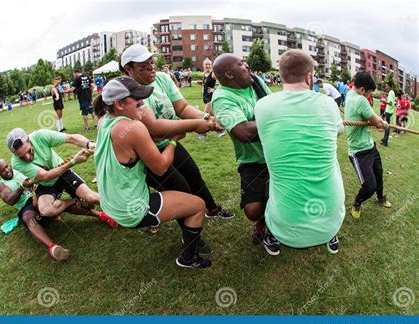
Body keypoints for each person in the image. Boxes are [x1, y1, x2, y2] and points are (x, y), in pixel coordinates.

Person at [94, 77, 212, 268]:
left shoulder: (103, 121)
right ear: (119, 104)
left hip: (110, 204)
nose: (143, 109)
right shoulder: (133, 128)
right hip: (131, 210)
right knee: (198, 205)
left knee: (181, 190)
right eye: (138, 103)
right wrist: (174, 139)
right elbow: (161, 167)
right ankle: (188, 258)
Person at [119, 44, 234, 219]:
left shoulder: (162, 79)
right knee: (179, 190)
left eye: (151, 62)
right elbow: (154, 128)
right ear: (128, 70)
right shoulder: (127, 93)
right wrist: (194, 125)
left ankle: (211, 210)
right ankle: (192, 239)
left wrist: (206, 118)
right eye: (144, 66)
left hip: (167, 141)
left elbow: (182, 107)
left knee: (193, 175)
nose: (151, 67)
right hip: (147, 151)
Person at [255, 50, 345, 255]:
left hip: (283, 224)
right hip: (332, 219)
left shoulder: (262, 107)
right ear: (309, 76)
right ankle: (331, 234)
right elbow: (339, 130)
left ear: (282, 76)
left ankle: (271, 235)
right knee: (331, 161)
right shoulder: (329, 104)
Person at [211, 53, 272, 244]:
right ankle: (261, 220)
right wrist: (276, 120)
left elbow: (273, 106)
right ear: (229, 74)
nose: (247, 66)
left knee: (280, 195)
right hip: (252, 159)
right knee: (253, 211)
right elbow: (244, 133)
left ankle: (273, 226)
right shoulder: (221, 98)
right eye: (241, 64)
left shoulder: (257, 82)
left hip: (277, 153)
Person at [7, 127, 117, 227]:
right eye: (22, 157)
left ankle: (122, 208)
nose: (27, 157)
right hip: (46, 183)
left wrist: (89, 144)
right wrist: (73, 161)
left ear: (29, 141)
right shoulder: (16, 163)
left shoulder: (40, 136)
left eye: (29, 151)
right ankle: (89, 209)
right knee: (46, 210)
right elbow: (45, 176)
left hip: (64, 174)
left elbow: (71, 138)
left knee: (92, 198)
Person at [0, 159, 69, 261]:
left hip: (39, 193)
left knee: (53, 204)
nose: (7, 170)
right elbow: (10, 200)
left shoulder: (18, 168)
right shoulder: (1, 185)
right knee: (27, 218)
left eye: (7, 166)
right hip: (26, 205)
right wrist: (21, 187)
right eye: (3, 170)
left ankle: (96, 213)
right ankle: (53, 247)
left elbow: (40, 171)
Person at [344, 71, 391, 219]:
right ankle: (357, 202)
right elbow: (377, 122)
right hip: (359, 152)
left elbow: (370, 120)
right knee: (369, 186)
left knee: (379, 173)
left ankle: (380, 198)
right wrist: (383, 124)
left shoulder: (349, 94)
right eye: (369, 93)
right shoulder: (360, 100)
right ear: (362, 89)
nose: (369, 97)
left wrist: (376, 122)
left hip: (370, 146)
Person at [380, 81, 395, 147]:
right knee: (386, 125)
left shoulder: (391, 92)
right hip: (388, 111)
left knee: (387, 126)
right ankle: (384, 139)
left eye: (386, 86)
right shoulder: (391, 92)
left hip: (388, 111)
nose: (386, 87)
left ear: (389, 86)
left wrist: (384, 101)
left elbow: (391, 103)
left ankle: (385, 142)